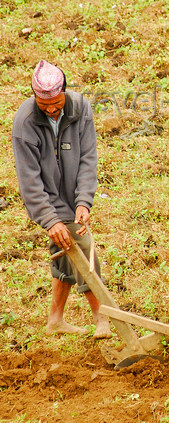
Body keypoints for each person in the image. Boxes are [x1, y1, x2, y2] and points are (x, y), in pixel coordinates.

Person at [12, 60, 112, 339]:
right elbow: (29, 179)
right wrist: (50, 219)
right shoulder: (25, 122)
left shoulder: (80, 108)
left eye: (56, 103)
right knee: (80, 247)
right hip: (47, 197)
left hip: (73, 192)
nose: (52, 110)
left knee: (65, 251)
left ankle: (55, 320)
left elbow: (87, 159)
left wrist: (83, 201)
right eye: (45, 106)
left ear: (65, 93)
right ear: (35, 98)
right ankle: (101, 317)